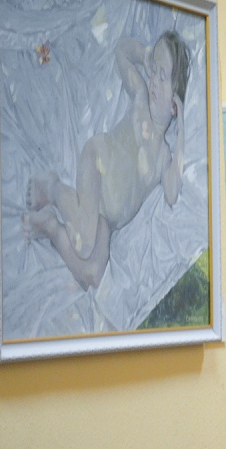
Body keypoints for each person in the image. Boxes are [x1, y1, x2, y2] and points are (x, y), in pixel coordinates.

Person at [23, 31, 190, 290]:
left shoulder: (164, 155)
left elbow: (171, 193)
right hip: (98, 163)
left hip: (108, 216)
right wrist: (145, 55)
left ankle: (50, 227)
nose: (154, 82)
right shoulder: (141, 98)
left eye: (162, 76)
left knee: (92, 276)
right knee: (85, 242)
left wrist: (182, 129)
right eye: (154, 71)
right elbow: (121, 51)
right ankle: (53, 188)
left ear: (174, 104)